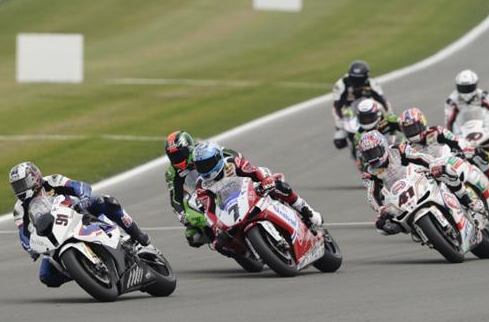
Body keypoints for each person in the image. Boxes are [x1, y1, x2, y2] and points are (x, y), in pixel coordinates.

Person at [8, 162, 150, 287]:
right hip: (54, 237)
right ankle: (84, 271)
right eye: (15, 187)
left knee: (106, 201)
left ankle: (137, 234)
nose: (19, 189)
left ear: (34, 178)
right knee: (46, 276)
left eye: (21, 184)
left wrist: (84, 197)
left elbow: (79, 186)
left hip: (78, 213)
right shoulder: (19, 209)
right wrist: (30, 248)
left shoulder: (53, 180)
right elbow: (23, 233)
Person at [193, 142, 323, 252]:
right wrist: (216, 226)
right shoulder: (201, 186)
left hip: (253, 192)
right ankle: (249, 253)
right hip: (232, 209)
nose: (205, 169)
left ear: (218, 157)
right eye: (200, 166)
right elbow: (209, 210)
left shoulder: (232, 162)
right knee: (222, 243)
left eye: (208, 163)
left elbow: (254, 171)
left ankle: (309, 213)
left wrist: (265, 180)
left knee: (280, 187)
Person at [358, 131, 483, 236]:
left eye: (374, 152)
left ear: (383, 146)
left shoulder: (398, 150)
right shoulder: (369, 172)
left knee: (447, 170)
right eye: (368, 154)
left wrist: (432, 165)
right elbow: (371, 194)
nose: (372, 157)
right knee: (381, 227)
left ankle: (468, 201)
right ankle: (419, 231)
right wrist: (380, 209)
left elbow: (419, 156)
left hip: (418, 178)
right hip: (399, 199)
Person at [399, 107, 489, 195]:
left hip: (449, 161)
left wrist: (461, 152)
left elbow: (455, 142)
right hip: (430, 174)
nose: (412, 133)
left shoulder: (436, 132)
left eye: (414, 128)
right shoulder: (407, 147)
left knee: (478, 154)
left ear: (422, 123)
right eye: (408, 130)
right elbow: (405, 169)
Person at [164, 131, 240, 247]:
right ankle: (219, 242)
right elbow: (175, 197)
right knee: (192, 236)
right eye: (172, 156)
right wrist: (182, 215)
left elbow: (232, 154)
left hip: (221, 181)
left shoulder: (203, 150)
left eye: (179, 154)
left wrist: (234, 165)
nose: (176, 158)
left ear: (189, 147)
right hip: (199, 194)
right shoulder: (171, 172)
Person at [332, 60, 391, 150]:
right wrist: (340, 124)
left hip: (367, 107)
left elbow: (382, 100)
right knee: (339, 142)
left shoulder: (372, 83)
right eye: (354, 79)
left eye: (359, 79)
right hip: (348, 110)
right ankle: (352, 143)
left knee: (383, 116)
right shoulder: (341, 85)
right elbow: (337, 107)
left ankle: (386, 136)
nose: (357, 82)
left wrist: (389, 113)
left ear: (366, 76)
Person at [352, 99, 403, 168]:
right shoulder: (358, 135)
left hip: (397, 149)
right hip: (378, 162)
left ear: (377, 113)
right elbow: (359, 157)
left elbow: (405, 128)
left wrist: (406, 143)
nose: (366, 120)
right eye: (364, 118)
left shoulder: (388, 119)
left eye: (369, 117)